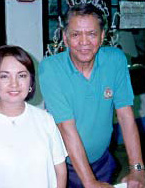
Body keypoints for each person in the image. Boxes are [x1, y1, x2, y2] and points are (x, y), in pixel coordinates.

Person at [39, 3, 145, 188]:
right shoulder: (50, 68)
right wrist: (89, 182)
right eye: (75, 34)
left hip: (102, 159)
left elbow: (125, 115)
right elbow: (66, 128)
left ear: (102, 36)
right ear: (65, 37)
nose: (84, 42)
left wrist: (137, 169)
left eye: (91, 34)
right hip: (63, 164)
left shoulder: (115, 60)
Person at [0, 45, 68, 188]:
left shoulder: (45, 120)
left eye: (21, 75)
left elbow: (60, 170)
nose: (14, 84)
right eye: (5, 76)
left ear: (31, 82)